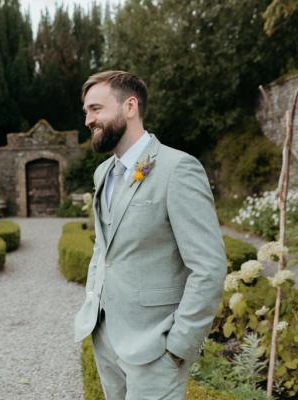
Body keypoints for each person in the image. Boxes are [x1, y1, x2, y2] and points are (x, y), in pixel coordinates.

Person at [73, 71, 226, 399]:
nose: (88, 119)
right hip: (105, 336)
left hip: (156, 348)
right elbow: (105, 249)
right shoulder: (103, 173)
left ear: (130, 106)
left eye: (96, 109)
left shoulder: (178, 169)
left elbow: (209, 267)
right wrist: (92, 300)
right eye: (86, 111)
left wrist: (179, 346)